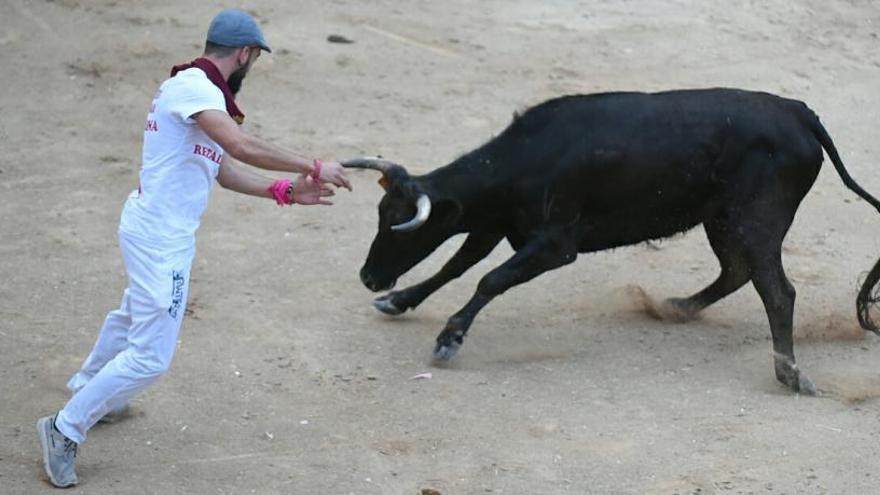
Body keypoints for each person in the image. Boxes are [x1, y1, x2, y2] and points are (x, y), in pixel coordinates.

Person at [36, 8, 352, 488]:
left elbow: (222, 167)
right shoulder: (195, 88)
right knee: (150, 357)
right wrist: (312, 164)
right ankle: (64, 427)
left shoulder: (204, 98)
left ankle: (92, 388)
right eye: (253, 60)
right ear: (245, 54)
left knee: (134, 313)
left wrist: (283, 190)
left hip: (161, 231)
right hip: (159, 236)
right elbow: (240, 146)